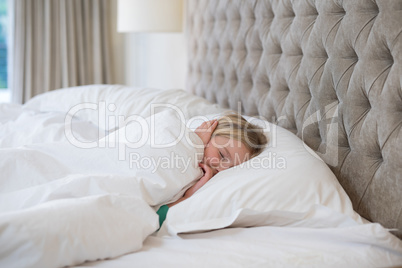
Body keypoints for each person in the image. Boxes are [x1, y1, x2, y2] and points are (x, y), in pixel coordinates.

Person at [157, 113, 268, 227]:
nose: (221, 169)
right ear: (207, 135)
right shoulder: (173, 143)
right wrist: (194, 142)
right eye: (222, 155)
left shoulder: (201, 184)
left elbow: (154, 219)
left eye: (231, 168)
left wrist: (188, 197)